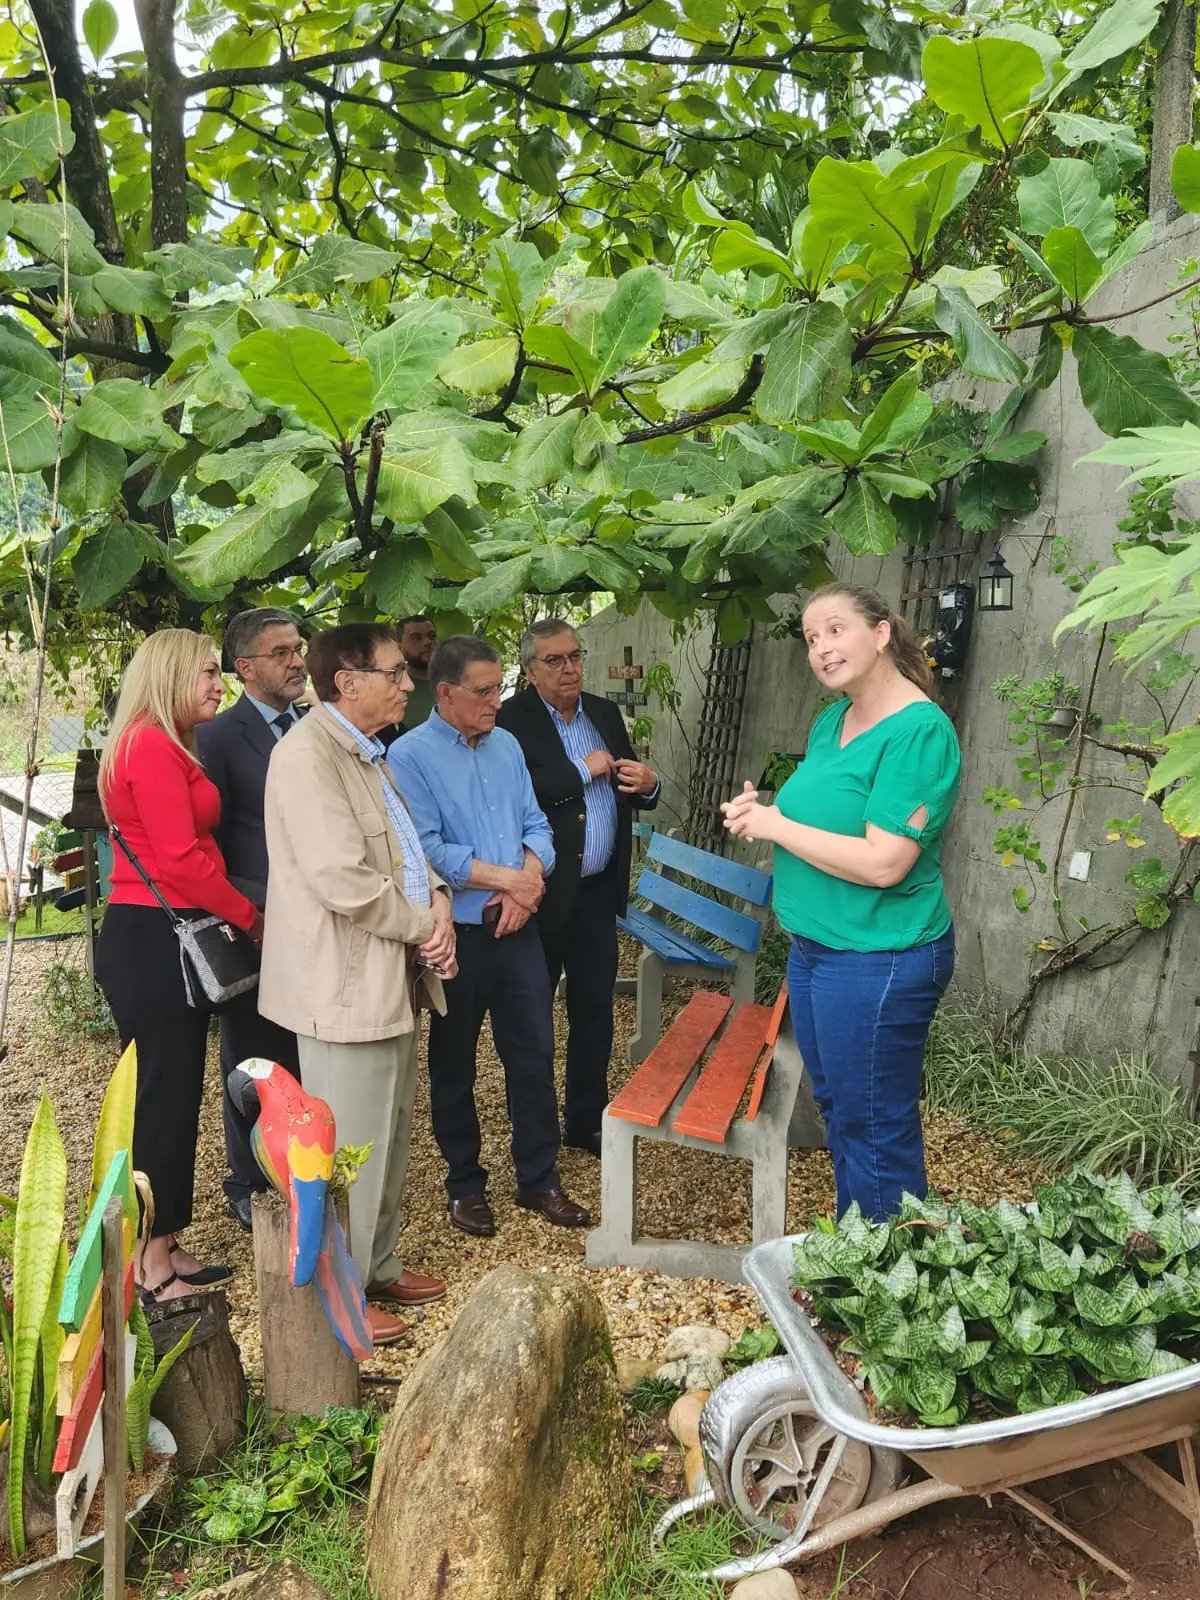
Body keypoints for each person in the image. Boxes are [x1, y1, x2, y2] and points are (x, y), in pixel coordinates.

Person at [721, 581, 961, 1223]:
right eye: (810, 638)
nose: (821, 648)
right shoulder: (834, 721)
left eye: (835, 630)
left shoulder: (918, 732)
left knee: (874, 1127)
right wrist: (763, 812)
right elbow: (823, 816)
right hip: (817, 950)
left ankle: (894, 1273)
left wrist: (776, 826)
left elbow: (885, 863)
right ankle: (860, 1254)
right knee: (842, 1112)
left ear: (881, 633)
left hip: (878, 958)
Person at [259, 623, 457, 1348]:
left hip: (389, 976)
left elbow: (407, 848)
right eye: (395, 673)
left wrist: (438, 901)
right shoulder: (306, 758)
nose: (408, 683)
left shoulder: (368, 751)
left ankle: (376, 1266)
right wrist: (425, 925)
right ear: (347, 682)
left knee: (390, 1132)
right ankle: (341, 1293)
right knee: (346, 1150)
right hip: (342, 986)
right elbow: (341, 878)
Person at [388, 636, 590, 1237]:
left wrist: (526, 884)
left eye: (498, 688)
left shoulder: (507, 745)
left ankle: (539, 1179)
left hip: (517, 929)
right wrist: (513, 881)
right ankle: (465, 1186)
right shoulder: (409, 756)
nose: (496, 701)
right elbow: (426, 849)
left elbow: (538, 825)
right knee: (453, 1065)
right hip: (457, 937)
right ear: (445, 693)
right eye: (483, 691)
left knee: (534, 1054)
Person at [96, 629, 263, 1304]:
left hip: (156, 934)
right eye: (207, 673)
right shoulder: (150, 746)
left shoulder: (159, 741)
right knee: (163, 1097)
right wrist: (251, 917)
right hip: (154, 938)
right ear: (169, 675)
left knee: (173, 1092)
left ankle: (163, 1241)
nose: (219, 685)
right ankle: (147, 1262)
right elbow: (181, 861)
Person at [497, 619, 659, 1157]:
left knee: (594, 1013)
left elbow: (627, 784)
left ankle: (585, 1120)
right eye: (554, 660)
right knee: (531, 1019)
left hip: (596, 895)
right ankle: (534, 1129)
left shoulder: (604, 713)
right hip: (539, 896)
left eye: (574, 656)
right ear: (530, 669)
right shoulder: (510, 722)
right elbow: (514, 795)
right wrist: (580, 771)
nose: (569, 669)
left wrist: (648, 785)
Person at [196, 607, 306, 1232]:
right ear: (245, 667)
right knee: (252, 1058)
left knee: (305, 1051)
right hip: (254, 921)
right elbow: (208, 846)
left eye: (298, 648)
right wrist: (259, 904)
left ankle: (305, 1165)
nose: (297, 661)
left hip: (319, 922)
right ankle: (248, 1182)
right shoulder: (217, 738)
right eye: (280, 652)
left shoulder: (315, 724)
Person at [377, 615, 437, 750]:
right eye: (416, 638)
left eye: (431, 636)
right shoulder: (391, 689)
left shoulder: (455, 683)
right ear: (399, 647)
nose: (427, 642)